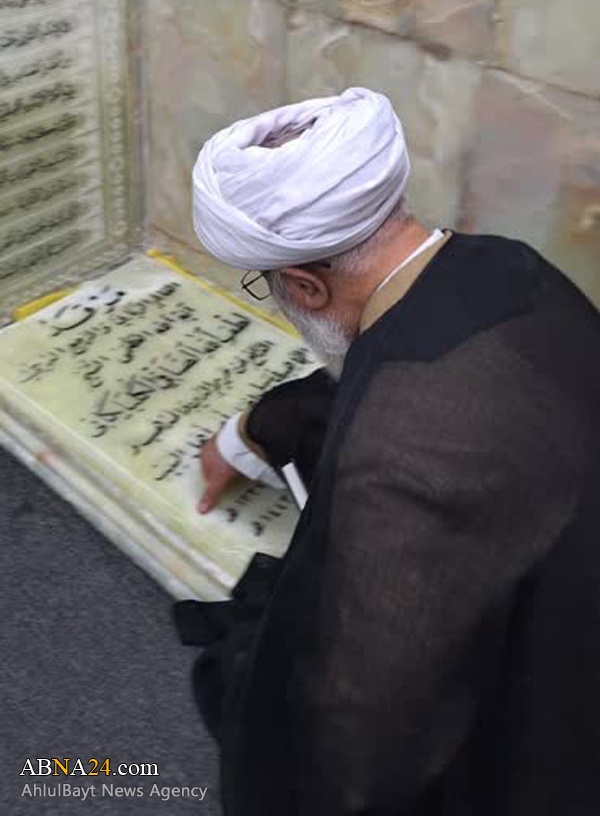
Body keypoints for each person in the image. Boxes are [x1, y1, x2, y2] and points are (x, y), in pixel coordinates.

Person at [175, 88, 600, 815]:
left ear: (305, 285)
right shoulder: (503, 265)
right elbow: (389, 362)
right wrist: (250, 431)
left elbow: (352, 755)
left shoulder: (398, 467)